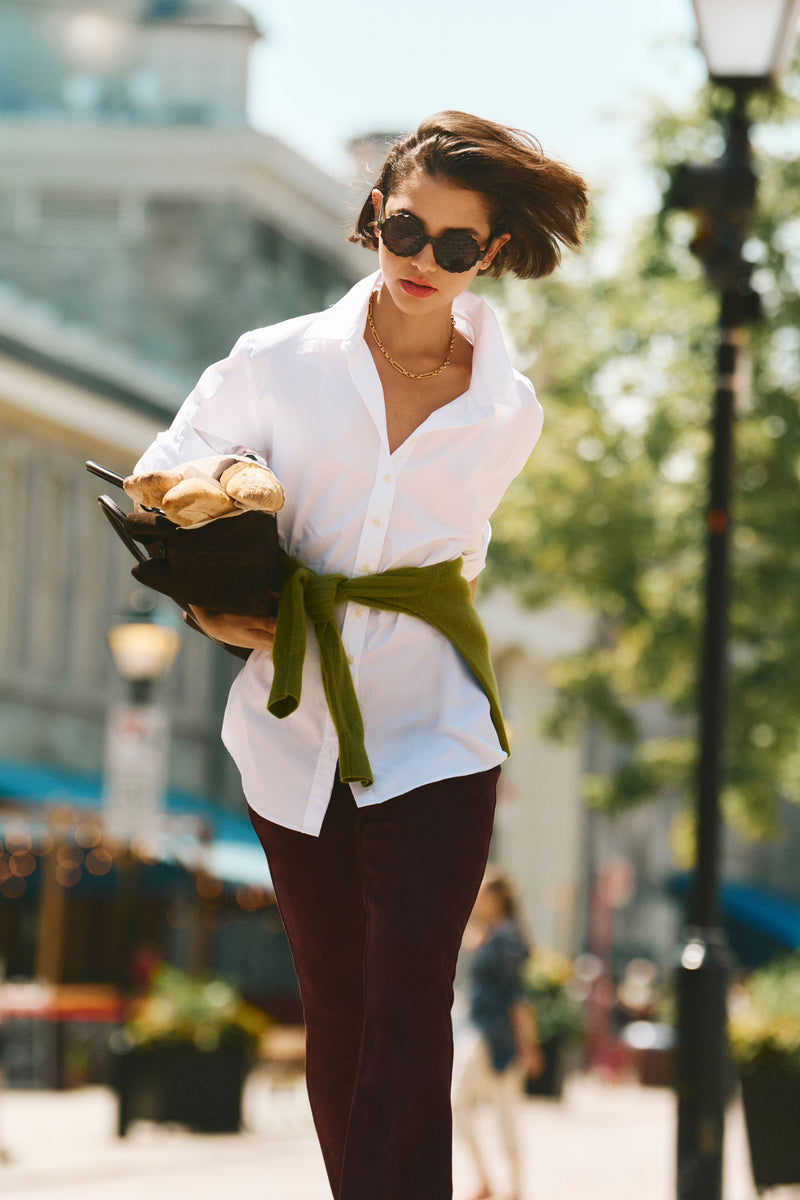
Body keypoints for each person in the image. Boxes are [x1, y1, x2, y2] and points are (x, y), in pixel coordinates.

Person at [131, 110, 587, 1200]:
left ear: (493, 255)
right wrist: (217, 604)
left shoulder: (503, 411)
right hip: (292, 730)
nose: (418, 260)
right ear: (372, 217)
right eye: (401, 229)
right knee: (338, 1009)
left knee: (409, 996)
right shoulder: (274, 363)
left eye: (453, 245)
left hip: (434, 729)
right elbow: (164, 476)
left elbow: (445, 567)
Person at [453, 869, 543, 1200]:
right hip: (482, 1032)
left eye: (482, 894)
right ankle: (494, 1183)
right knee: (485, 1109)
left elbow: (517, 997)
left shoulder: (505, 940)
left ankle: (509, 1187)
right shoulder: (493, 936)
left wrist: (528, 1045)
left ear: (497, 899)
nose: (476, 900)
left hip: (496, 1036)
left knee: (499, 1110)